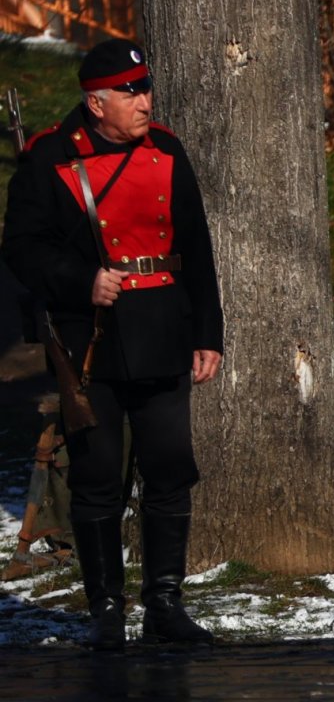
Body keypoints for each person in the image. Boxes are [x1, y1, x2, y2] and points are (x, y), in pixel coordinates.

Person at [1, 38, 223, 649]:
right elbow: (20, 248)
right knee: (98, 475)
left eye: (145, 88)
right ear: (95, 102)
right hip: (88, 339)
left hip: (164, 326)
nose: (144, 100)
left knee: (170, 467)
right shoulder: (49, 157)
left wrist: (209, 333)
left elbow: (197, 247)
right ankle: (105, 610)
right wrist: (81, 280)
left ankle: (165, 605)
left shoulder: (168, 150)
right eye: (130, 92)